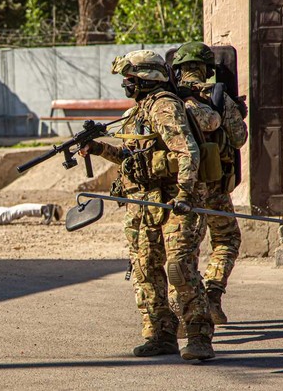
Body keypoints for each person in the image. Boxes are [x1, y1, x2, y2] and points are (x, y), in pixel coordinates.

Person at [80, 50, 215, 360]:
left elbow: (187, 153)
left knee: (179, 267)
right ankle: (160, 334)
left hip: (176, 202)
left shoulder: (164, 107)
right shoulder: (138, 111)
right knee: (145, 268)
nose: (126, 84)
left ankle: (198, 335)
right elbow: (132, 157)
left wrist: (184, 195)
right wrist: (98, 148)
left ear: (146, 78)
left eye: (130, 79)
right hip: (145, 205)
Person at [171, 42, 248, 325]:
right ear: (207, 69)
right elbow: (239, 139)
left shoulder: (168, 101)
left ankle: (182, 310)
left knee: (181, 249)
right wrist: (238, 112)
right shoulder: (219, 97)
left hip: (182, 189)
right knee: (227, 239)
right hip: (214, 186)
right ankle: (213, 296)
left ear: (178, 69)